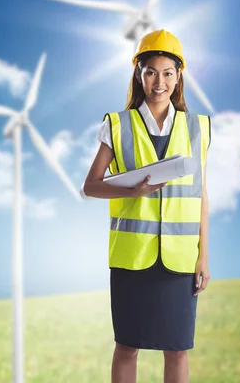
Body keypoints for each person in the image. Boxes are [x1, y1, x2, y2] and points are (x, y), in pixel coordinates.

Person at [82, 29, 211, 383]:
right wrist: (131, 192)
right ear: (138, 74)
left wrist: (203, 257)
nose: (159, 81)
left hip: (181, 258)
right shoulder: (118, 124)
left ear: (178, 76)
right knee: (127, 345)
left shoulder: (198, 128)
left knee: (177, 349)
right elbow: (90, 187)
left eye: (168, 72)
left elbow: (201, 195)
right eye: (151, 71)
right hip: (131, 257)